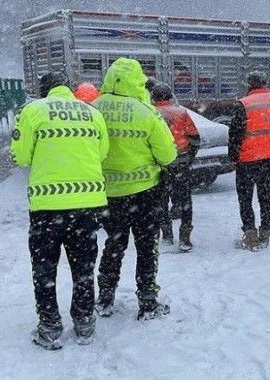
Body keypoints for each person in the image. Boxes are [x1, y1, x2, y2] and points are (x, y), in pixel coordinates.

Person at [10, 72, 109, 350]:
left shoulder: (32, 111)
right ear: (69, 88)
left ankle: (50, 326)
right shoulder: (92, 112)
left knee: (44, 269)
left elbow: (20, 156)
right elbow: (102, 153)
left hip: (48, 209)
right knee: (84, 268)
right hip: (87, 207)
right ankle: (85, 321)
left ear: (44, 91)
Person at [93, 58, 177, 321]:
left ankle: (105, 298)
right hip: (144, 193)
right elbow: (168, 155)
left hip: (107, 194)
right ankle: (148, 302)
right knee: (146, 248)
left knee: (113, 245)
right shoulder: (146, 112)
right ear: (138, 80)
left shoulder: (93, 110)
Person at [228, 71, 270, 251]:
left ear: (249, 85)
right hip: (269, 159)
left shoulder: (244, 104)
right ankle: (265, 234)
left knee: (245, 199)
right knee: (265, 197)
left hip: (247, 159)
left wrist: (233, 157)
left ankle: (251, 235)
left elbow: (235, 134)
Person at [151, 82, 200, 252]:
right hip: (181, 162)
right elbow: (195, 138)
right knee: (185, 199)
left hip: (159, 165)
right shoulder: (182, 112)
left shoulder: (150, 113)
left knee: (161, 200)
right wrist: (188, 157)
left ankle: (167, 235)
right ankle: (185, 238)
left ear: (153, 97)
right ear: (170, 96)